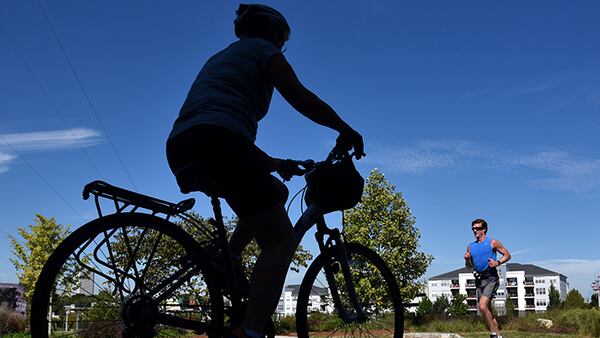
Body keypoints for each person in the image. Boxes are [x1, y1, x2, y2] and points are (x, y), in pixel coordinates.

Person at [166, 4, 364, 338]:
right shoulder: (263, 51)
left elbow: (217, 124)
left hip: (186, 143)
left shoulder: (222, 58)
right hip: (222, 143)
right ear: (275, 34)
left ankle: (229, 255)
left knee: (277, 190)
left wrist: (275, 164)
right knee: (280, 243)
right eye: (282, 41)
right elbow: (298, 94)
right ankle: (251, 332)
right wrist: (343, 128)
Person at [464, 218, 511, 338]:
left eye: (478, 228)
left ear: (484, 229)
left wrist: (498, 263)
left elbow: (507, 255)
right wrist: (467, 259)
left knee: (482, 306)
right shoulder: (470, 246)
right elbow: (469, 267)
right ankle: (499, 336)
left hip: (491, 277)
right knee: (487, 310)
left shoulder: (493, 242)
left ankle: (493, 334)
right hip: (479, 279)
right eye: (473, 229)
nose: (475, 231)